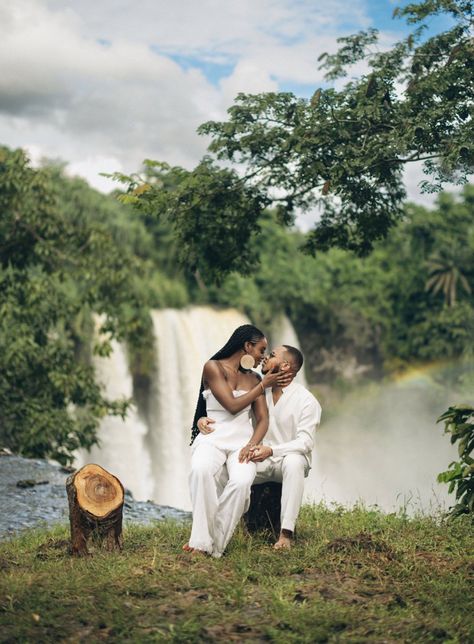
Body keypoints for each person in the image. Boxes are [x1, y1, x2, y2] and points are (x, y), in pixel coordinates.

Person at [198, 344, 321, 551]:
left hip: (286, 462)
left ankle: (285, 534)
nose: (264, 358)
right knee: (222, 471)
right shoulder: (257, 389)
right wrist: (203, 419)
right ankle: (209, 533)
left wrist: (272, 450)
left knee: (294, 462)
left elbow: (305, 442)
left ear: (285, 365)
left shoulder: (306, 400)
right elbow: (229, 414)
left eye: (271, 355)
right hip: (258, 460)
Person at [185, 325, 289, 558]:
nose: (263, 355)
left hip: (241, 443)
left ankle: (214, 544)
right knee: (200, 470)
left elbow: (263, 419)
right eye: (261, 349)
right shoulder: (213, 368)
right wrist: (263, 387)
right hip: (212, 438)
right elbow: (231, 407)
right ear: (247, 346)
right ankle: (201, 544)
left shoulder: (254, 378)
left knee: (241, 483)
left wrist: (252, 443)